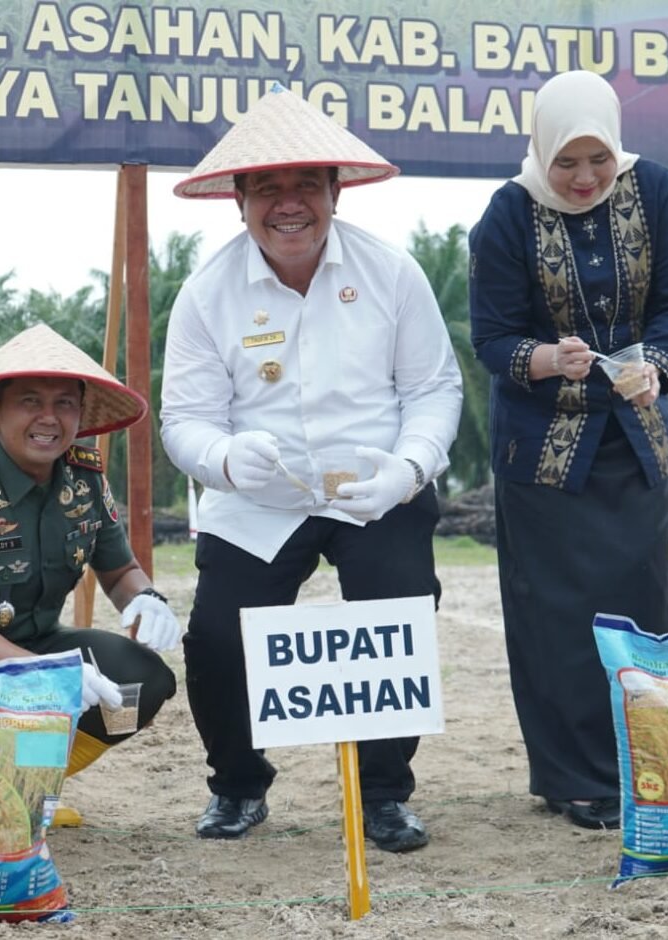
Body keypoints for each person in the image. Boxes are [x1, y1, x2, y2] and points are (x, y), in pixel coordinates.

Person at [161, 86, 463, 852]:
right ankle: (236, 784)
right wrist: (224, 457)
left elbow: (434, 390)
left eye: (305, 186)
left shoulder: (392, 273)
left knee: (395, 615)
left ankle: (384, 795)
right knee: (217, 639)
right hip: (257, 497)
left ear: (335, 191)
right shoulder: (205, 295)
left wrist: (408, 470)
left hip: (374, 486)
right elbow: (182, 423)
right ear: (238, 200)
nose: (287, 205)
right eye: (267, 188)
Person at [467, 70, 668, 830]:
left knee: (640, 604)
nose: (583, 178)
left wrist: (658, 366)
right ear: (540, 149)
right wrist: (545, 358)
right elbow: (493, 339)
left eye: (597, 159)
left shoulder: (656, 190)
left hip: (635, 445)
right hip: (542, 458)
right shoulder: (505, 216)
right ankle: (572, 780)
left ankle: (645, 765)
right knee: (557, 622)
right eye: (567, 161)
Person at [0, 324, 180, 824]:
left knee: (142, 681)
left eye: (65, 403)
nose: (49, 419)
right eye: (30, 402)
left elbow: (119, 569)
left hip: (39, 640)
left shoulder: (83, 479)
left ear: (81, 414)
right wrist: (46, 675)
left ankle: (30, 778)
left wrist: (147, 598)